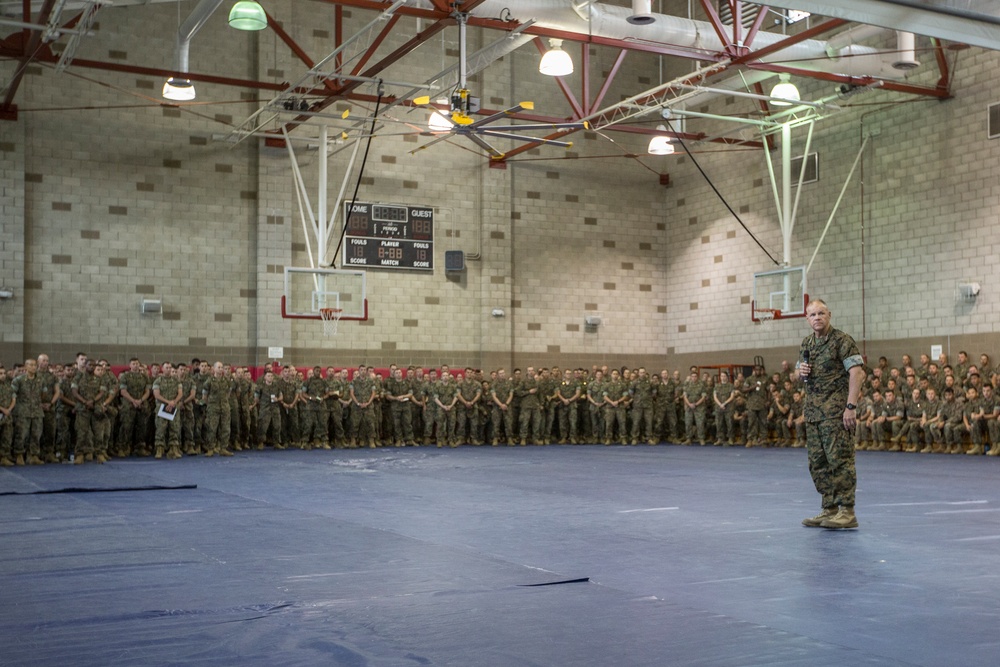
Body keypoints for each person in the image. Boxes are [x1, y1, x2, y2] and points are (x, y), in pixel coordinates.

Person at [796, 299, 865, 530]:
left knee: (840, 461)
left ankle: (847, 511)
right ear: (807, 319)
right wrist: (800, 372)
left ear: (829, 315)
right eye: (812, 314)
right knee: (818, 463)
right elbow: (800, 378)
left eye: (821, 313)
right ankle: (829, 509)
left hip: (836, 414)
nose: (817, 317)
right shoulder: (807, 344)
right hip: (814, 414)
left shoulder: (842, 341)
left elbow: (857, 374)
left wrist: (850, 406)